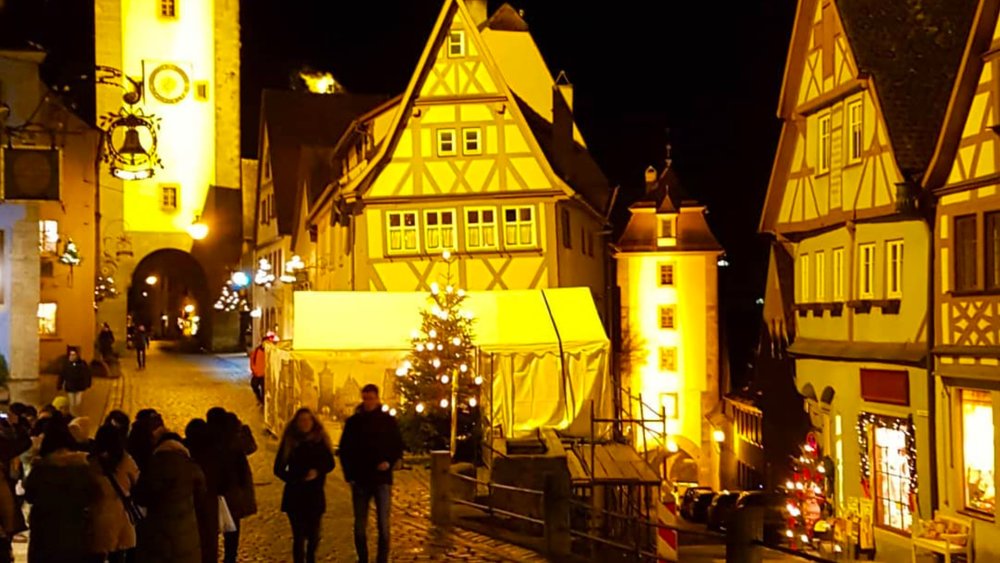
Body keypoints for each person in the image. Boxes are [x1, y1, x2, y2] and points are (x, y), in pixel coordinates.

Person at [338, 384, 404, 563]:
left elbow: (397, 444)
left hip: (382, 478)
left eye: (371, 398)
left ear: (377, 398)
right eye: (365, 398)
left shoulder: (387, 421)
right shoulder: (353, 423)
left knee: (383, 524)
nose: (368, 402)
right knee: (360, 525)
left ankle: (382, 559)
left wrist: (389, 462)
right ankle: (363, 558)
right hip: (360, 479)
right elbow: (345, 450)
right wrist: (350, 475)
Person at [23, 420, 95, 563]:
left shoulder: (41, 468)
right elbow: (91, 495)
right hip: (74, 530)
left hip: (44, 530)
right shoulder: (82, 467)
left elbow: (30, 495)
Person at [132, 433, 206, 563]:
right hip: (186, 532)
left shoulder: (152, 466)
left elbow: (140, 497)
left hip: (157, 533)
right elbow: (201, 496)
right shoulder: (191, 467)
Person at [274, 408, 334, 563]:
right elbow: (278, 468)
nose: (305, 423)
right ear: (296, 423)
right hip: (295, 495)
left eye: (308, 420)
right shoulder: (290, 441)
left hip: (315, 495)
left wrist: (317, 471)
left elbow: (330, 463)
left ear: (313, 422)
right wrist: (295, 478)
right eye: (302, 420)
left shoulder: (320, 440)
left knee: (314, 536)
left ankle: (311, 558)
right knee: (298, 537)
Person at [208, 409, 257, 563]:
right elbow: (251, 447)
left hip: (214, 489)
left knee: (210, 530)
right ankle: (230, 559)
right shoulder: (234, 437)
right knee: (232, 532)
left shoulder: (210, 437)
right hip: (233, 489)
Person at [87, 424, 139, 563]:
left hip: (98, 518)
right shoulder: (126, 461)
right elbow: (136, 482)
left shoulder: (91, 464)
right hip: (122, 516)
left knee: (97, 556)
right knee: (118, 557)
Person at [184, 419, 221, 563]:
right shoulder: (213, 452)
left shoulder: (185, 451)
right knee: (209, 542)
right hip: (209, 503)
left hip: (189, 505)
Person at [58, 348, 92, 417]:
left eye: (74, 355)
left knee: (78, 402)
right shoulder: (66, 365)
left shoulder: (82, 364)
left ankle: (77, 414)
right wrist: (59, 384)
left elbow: (87, 374)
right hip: (70, 387)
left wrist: (88, 383)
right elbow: (62, 375)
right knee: (72, 403)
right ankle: (72, 415)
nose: (72, 356)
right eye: (71, 355)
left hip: (80, 387)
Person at [249, 337, 268, 405]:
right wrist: (253, 369)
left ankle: (263, 402)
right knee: (254, 385)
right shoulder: (257, 350)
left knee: (264, 389)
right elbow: (252, 360)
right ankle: (259, 398)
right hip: (257, 373)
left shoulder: (269, 353)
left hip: (265, 375)